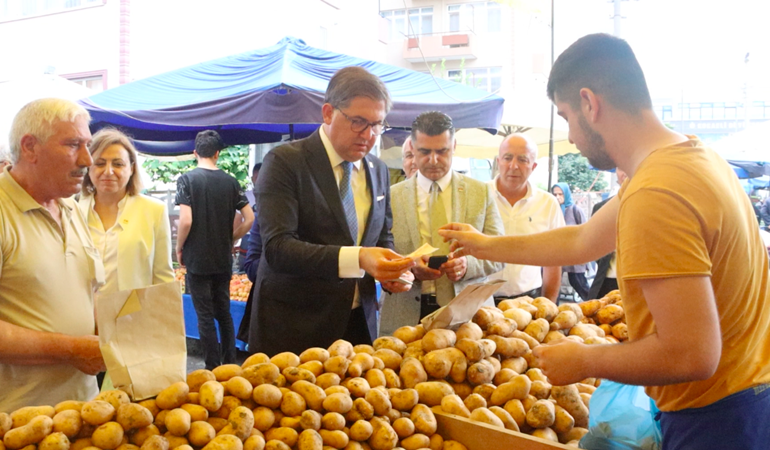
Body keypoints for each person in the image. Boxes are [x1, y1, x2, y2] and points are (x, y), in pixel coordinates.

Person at [439, 33, 770, 449]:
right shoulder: (692, 159)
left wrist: (585, 360)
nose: (572, 137)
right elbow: (581, 241)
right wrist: (484, 245)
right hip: (745, 397)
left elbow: (693, 354)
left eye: (565, 116)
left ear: (589, 103)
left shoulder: (657, 192)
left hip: (716, 419)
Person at [249, 66, 415, 355]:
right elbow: (278, 248)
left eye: (377, 124)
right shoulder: (286, 161)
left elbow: (381, 236)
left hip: (358, 323)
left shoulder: (377, 170)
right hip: (295, 326)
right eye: (359, 122)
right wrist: (360, 257)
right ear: (328, 113)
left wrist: (391, 268)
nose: (369, 135)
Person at [0, 98, 106, 412]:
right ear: (30, 147)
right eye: (73, 144)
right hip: (19, 421)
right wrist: (72, 349)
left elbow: (91, 293)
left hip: (83, 411)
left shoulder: (73, 209)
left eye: (87, 145)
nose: (87, 159)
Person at [381, 111, 504, 332]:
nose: (433, 160)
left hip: (470, 318)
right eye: (425, 152)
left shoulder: (481, 192)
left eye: (442, 151)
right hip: (406, 315)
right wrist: (408, 268)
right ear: (412, 148)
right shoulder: (391, 196)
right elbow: (379, 253)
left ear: (454, 146)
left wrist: (468, 266)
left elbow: (500, 252)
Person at [175, 130, 254, 370]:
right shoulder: (231, 182)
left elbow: (186, 221)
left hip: (197, 259)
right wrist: (230, 238)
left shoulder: (187, 180)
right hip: (222, 258)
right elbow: (249, 218)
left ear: (195, 153)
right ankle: (230, 364)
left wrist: (179, 247)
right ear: (218, 154)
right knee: (224, 312)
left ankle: (211, 368)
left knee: (204, 315)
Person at [489, 134, 564, 304]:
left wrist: (548, 304)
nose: (513, 166)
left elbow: (554, 259)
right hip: (481, 302)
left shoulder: (548, 203)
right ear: (498, 161)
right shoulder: (480, 197)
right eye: (508, 158)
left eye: (522, 160)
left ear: (533, 166)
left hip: (528, 301)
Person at [587, 169, 627, 299]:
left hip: (641, 285)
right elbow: (591, 246)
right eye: (620, 167)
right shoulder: (602, 208)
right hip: (607, 282)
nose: (625, 172)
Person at [551, 182, 590, 301]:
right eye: (555, 194)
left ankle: (595, 306)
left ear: (566, 194)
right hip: (556, 255)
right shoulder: (552, 211)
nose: (557, 197)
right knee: (553, 287)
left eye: (560, 194)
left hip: (574, 255)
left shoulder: (575, 210)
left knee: (578, 282)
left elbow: (585, 232)